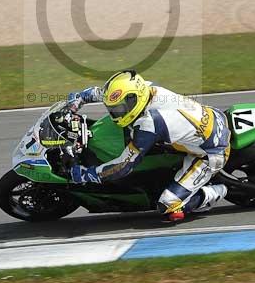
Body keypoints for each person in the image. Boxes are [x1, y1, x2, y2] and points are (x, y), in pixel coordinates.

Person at [66, 70, 230, 222]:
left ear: (133, 100)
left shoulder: (150, 123)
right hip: (211, 117)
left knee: (168, 206)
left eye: (119, 109)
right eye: (112, 109)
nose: (115, 113)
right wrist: (80, 98)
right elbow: (104, 93)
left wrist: (87, 174)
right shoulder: (145, 88)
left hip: (210, 154)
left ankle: (218, 191)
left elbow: (123, 166)